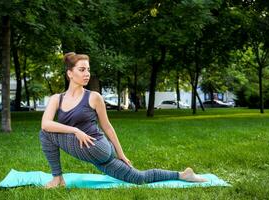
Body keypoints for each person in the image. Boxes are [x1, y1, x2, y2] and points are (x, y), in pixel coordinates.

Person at [40, 52, 207, 188]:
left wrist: (121, 154)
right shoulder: (57, 98)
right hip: (91, 150)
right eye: (82, 70)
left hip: (96, 147)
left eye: (88, 70)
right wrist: (75, 130)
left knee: (45, 135)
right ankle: (183, 175)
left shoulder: (94, 97)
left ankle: (57, 179)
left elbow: (107, 127)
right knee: (138, 178)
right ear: (70, 73)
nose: (87, 74)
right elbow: (46, 123)